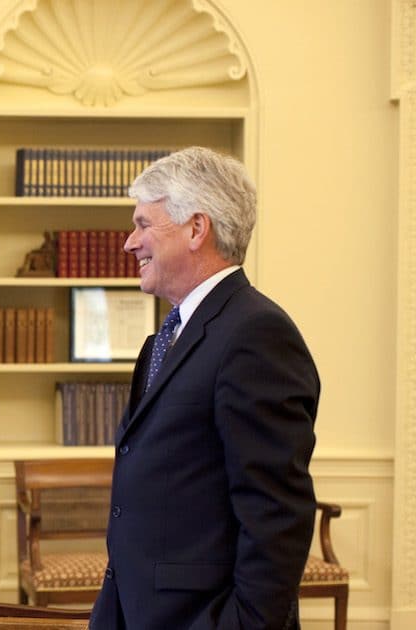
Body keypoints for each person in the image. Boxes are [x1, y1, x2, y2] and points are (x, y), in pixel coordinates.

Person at [90, 147, 320, 630]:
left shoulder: (257, 334)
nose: (130, 243)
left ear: (197, 229)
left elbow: (275, 513)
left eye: (144, 225)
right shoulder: (166, 338)